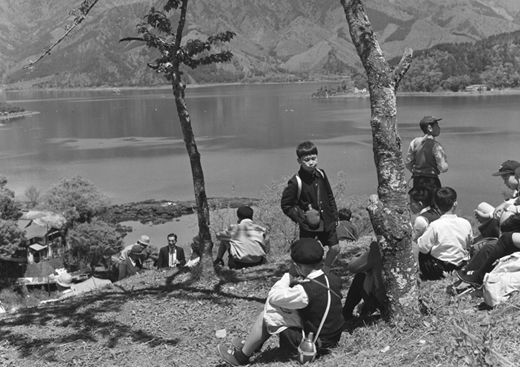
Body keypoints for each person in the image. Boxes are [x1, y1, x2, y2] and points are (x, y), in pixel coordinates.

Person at [216, 238, 344, 366]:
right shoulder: (334, 279)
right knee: (282, 309)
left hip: (313, 344)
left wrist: (288, 275)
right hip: (331, 337)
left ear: (297, 266)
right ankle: (253, 344)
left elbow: (273, 296)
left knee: (266, 316)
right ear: (321, 260)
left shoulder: (304, 291)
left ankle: (240, 358)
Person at [281, 141, 339, 273]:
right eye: (306, 160)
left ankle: (325, 270)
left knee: (335, 248)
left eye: (314, 158)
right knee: (304, 254)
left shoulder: (321, 174)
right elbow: (286, 205)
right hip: (309, 225)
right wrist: (301, 219)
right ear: (299, 161)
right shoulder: (296, 181)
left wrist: (335, 215)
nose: (311, 162)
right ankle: (295, 275)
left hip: (327, 220)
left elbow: (329, 195)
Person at [417, 187, 473, 280]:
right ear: (455, 204)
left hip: (438, 269)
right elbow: (469, 243)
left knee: (423, 252)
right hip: (458, 265)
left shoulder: (435, 225)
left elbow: (423, 248)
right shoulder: (465, 223)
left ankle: (429, 276)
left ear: (437, 206)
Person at [342, 241, 386, 323]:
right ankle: (364, 311)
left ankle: (346, 313)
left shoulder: (378, 248)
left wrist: (361, 254)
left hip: (382, 303)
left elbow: (352, 267)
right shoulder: (413, 247)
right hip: (409, 302)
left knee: (360, 277)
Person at [405, 116, 448, 189]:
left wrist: (417, 170)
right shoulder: (436, 146)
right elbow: (443, 168)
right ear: (430, 128)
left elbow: (408, 163)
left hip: (417, 180)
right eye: (437, 125)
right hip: (432, 181)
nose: (439, 128)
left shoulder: (414, 142)